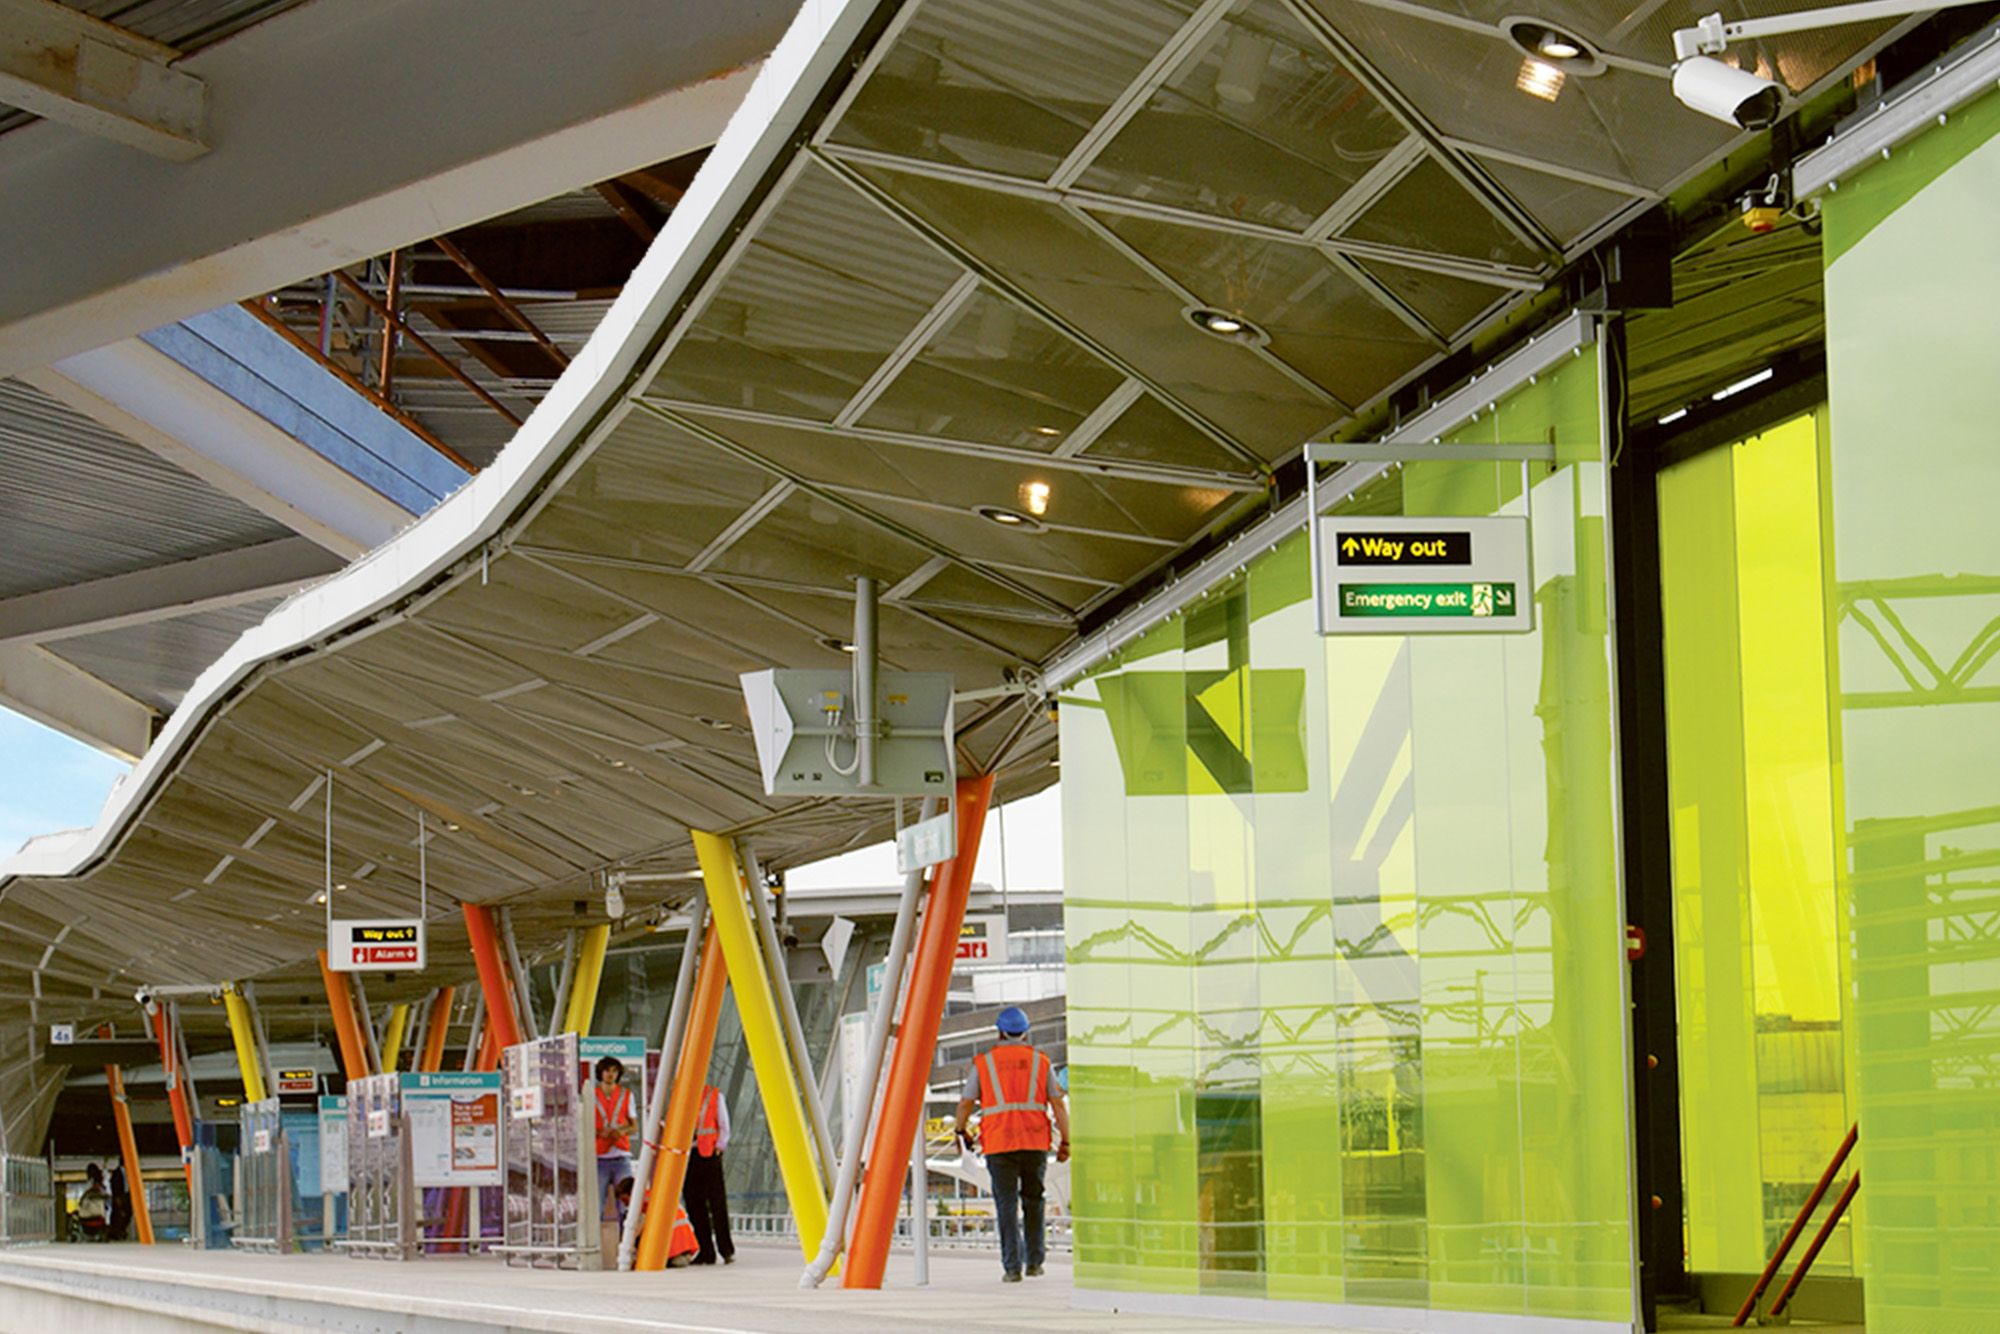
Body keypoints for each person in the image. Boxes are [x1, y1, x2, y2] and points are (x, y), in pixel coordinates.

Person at [955, 1006, 1069, 1283]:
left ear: (999, 1033)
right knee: (1034, 1200)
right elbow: (1057, 1103)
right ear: (1026, 1033)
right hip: (1034, 1141)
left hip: (999, 1143)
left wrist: (960, 1130)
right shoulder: (1041, 1062)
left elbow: (966, 1101)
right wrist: (1066, 1140)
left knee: (1006, 1204)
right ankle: (1035, 1262)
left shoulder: (984, 1063)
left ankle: (1012, 1268)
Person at [681, 1082, 734, 1265]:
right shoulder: (681, 1096)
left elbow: (723, 1124)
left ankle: (726, 1249)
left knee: (717, 1202)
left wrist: (720, 1146)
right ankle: (706, 1250)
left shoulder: (714, 1096)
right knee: (694, 1204)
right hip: (689, 1154)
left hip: (709, 1153)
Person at [592, 1055, 637, 1223]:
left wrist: (621, 1132)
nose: (610, 1074)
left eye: (614, 1071)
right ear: (600, 1073)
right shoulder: (591, 1095)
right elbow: (584, 1126)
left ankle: (627, 1236)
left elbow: (634, 1127)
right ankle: (596, 1238)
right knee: (596, 1204)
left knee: (627, 1203)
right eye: (607, 1071)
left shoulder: (626, 1095)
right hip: (599, 1157)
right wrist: (599, 1132)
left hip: (621, 1155)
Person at [75, 1163, 110, 1242]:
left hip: (87, 1216)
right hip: (98, 1216)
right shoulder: (103, 1188)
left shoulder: (89, 1188)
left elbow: (82, 1203)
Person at [107, 1162, 131, 1242]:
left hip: (126, 1196)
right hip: (120, 1197)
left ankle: (120, 1232)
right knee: (119, 1215)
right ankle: (116, 1233)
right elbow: (115, 1187)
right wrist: (117, 1198)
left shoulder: (128, 1172)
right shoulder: (117, 1173)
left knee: (127, 1214)